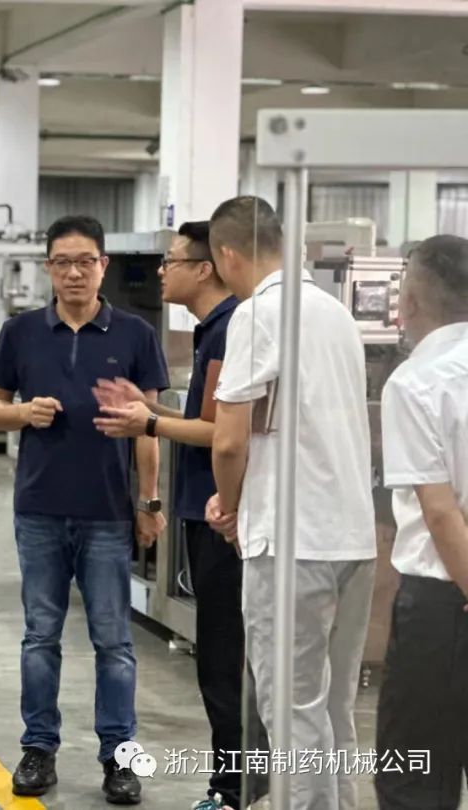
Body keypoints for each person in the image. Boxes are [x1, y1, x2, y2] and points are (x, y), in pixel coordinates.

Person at [0, 214, 169, 804]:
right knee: (40, 637)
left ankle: (120, 758)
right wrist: (24, 414)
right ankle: (38, 749)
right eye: (62, 262)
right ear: (48, 268)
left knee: (114, 642)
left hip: (108, 513)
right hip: (39, 509)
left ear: (103, 266)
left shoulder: (135, 335)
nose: (74, 273)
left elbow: (149, 427)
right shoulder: (20, 333)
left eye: (85, 262)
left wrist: (149, 502)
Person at [206, 196, 375, 810]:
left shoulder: (257, 314)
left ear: (228, 255)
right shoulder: (335, 313)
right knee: (332, 709)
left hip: (291, 540)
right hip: (351, 536)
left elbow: (229, 439)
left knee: (291, 712)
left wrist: (228, 505)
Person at [95, 221, 267, 810]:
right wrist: (150, 407)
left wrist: (147, 422)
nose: (161, 271)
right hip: (210, 510)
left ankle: (233, 788)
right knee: (223, 658)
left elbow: (222, 433)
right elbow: (208, 419)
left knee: (223, 661)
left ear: (205, 267)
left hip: (223, 515)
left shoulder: (228, 329)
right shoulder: (213, 330)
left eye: (171, 261)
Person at [374, 235, 468, 810]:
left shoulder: (416, 381)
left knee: (414, 776)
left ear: (409, 301)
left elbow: (439, 509)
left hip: (443, 603)